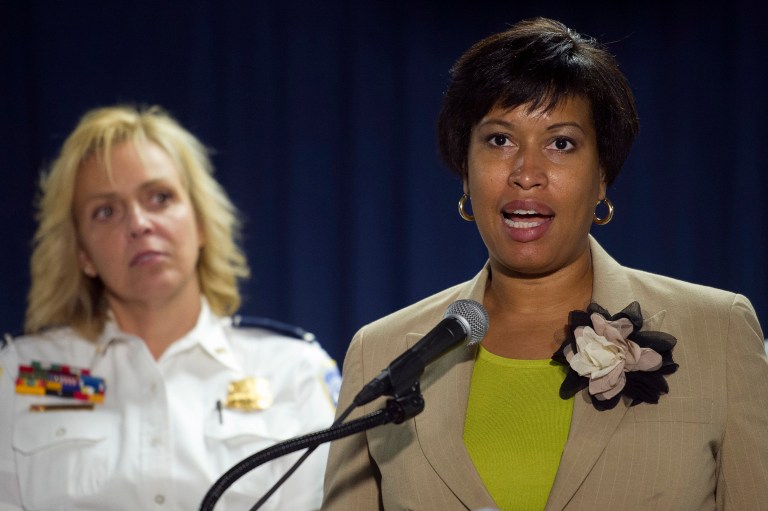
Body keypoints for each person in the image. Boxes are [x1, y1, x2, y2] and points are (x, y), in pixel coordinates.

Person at [322, 17, 768, 511]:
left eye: (561, 143)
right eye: (499, 140)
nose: (526, 174)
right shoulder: (380, 354)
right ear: (465, 172)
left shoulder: (719, 331)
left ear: (602, 175)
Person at [0, 105, 340, 510]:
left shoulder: (293, 372)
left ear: (200, 223)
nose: (139, 223)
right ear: (83, 254)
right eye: (105, 211)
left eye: (160, 198)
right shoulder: (20, 375)